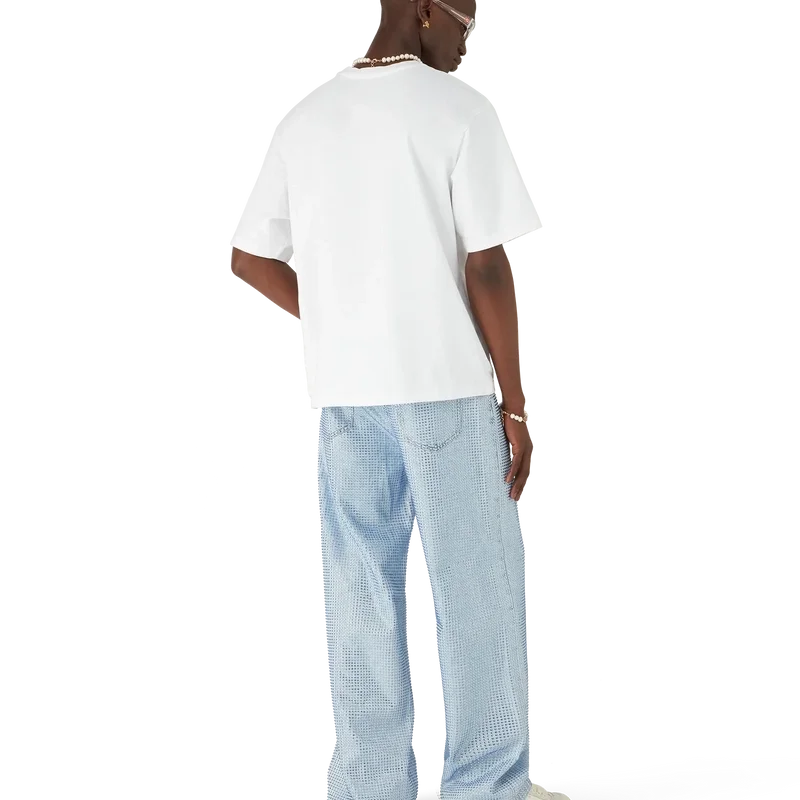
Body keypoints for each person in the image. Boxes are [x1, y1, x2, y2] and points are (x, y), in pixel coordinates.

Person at [230, 2, 569, 798]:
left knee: (361, 595)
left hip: (346, 396)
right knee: (477, 593)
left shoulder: (306, 111)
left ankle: (369, 784)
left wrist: (341, 321)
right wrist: (516, 407)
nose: (466, 43)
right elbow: (488, 267)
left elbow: (248, 257)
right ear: (423, 12)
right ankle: (489, 787)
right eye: (464, 24)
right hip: (447, 386)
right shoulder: (457, 107)